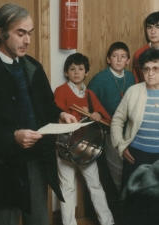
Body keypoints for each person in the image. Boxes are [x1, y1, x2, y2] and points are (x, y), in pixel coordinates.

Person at [0, 4, 76, 225]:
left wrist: (60, 115)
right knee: (4, 219)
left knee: (40, 220)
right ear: (0, 32)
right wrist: (12, 136)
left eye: (29, 33)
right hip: (2, 166)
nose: (27, 41)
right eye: (20, 33)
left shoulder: (33, 67)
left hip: (36, 160)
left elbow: (46, 106)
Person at [54, 53, 114, 225]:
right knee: (67, 188)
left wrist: (96, 114)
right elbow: (55, 116)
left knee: (95, 185)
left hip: (86, 148)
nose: (77, 73)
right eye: (72, 69)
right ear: (66, 72)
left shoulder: (89, 94)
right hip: (65, 147)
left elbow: (106, 119)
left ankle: (108, 222)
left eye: (81, 69)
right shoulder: (61, 91)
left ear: (86, 72)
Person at [111, 48, 159, 198]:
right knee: (132, 202)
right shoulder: (133, 91)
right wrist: (120, 144)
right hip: (135, 156)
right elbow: (117, 120)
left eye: (156, 68)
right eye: (147, 69)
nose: (150, 73)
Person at [88, 42, 136, 192]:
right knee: (117, 170)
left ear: (128, 60)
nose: (119, 60)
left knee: (131, 168)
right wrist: (95, 113)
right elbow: (89, 102)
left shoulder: (130, 78)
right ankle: (122, 202)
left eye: (123, 57)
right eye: (115, 56)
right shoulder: (100, 79)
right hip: (109, 130)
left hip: (130, 131)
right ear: (108, 59)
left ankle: (130, 201)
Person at [132, 11, 159, 83]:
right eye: (149, 27)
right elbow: (136, 81)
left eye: (157, 27)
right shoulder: (139, 53)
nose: (153, 32)